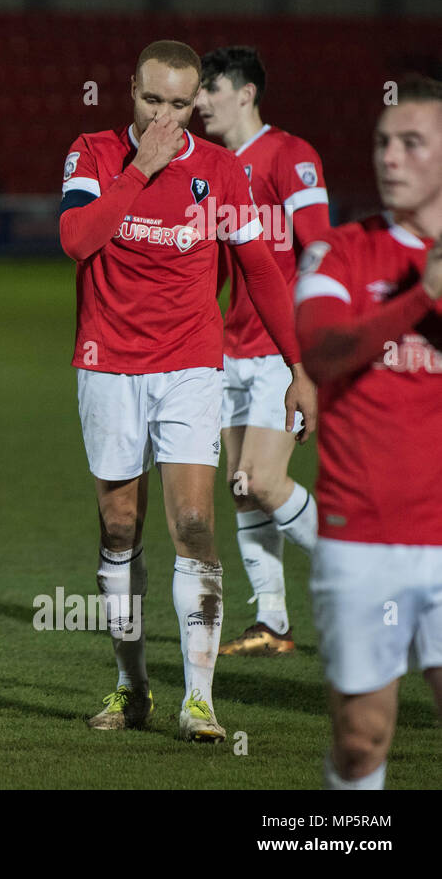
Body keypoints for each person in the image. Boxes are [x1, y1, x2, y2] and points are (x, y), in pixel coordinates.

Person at [59, 40, 317, 741]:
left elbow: (261, 269)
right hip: (107, 362)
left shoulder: (221, 171)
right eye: (152, 101)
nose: (167, 116)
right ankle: (130, 683)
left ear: (196, 100)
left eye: (180, 104)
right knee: (119, 527)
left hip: (190, 365)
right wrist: (139, 170)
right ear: (129, 91)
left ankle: (198, 698)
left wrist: (298, 366)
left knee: (196, 525)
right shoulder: (91, 152)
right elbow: (78, 238)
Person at [294, 73, 442, 789]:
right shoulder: (341, 252)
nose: (390, 157)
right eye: (384, 142)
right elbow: (322, 355)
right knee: (361, 740)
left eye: (412, 143)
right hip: (362, 536)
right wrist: (422, 298)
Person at [196, 46, 330, 657]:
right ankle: (273, 622)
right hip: (230, 347)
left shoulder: (289, 156)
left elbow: (320, 252)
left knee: (268, 480)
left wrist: (309, 348)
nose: (199, 103)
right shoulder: (214, 168)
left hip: (282, 348)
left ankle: (359, 569)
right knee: (243, 486)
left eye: (210, 89)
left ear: (246, 93)